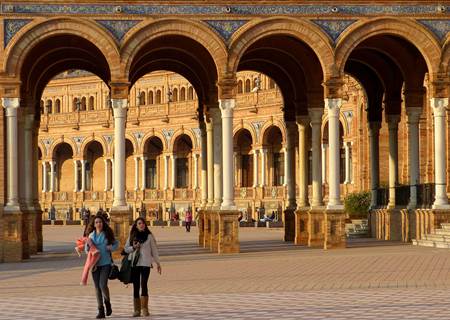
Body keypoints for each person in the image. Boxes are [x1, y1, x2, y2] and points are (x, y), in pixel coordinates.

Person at [124, 217, 162, 317]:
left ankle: (144, 308)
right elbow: (126, 249)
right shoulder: (132, 236)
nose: (141, 225)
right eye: (139, 223)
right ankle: (137, 310)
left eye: (143, 223)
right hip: (135, 264)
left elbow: (154, 250)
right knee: (136, 286)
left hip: (146, 264)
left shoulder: (149, 236)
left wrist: (158, 263)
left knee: (144, 284)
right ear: (136, 225)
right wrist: (133, 247)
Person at [85, 214, 119, 319]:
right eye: (96, 222)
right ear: (94, 225)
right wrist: (87, 248)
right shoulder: (91, 236)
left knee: (102, 285)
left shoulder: (107, 234)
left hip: (106, 263)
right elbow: (87, 250)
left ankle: (107, 303)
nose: (98, 224)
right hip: (95, 265)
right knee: (97, 288)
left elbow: (116, 244)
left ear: (103, 223)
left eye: (100, 222)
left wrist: (111, 248)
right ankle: (101, 310)